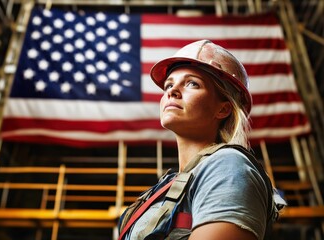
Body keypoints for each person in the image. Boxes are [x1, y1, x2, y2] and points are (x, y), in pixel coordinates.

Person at [117, 40, 284, 240]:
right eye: (169, 84)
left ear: (223, 109)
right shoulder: (167, 186)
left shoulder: (227, 166)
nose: (172, 91)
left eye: (192, 83)